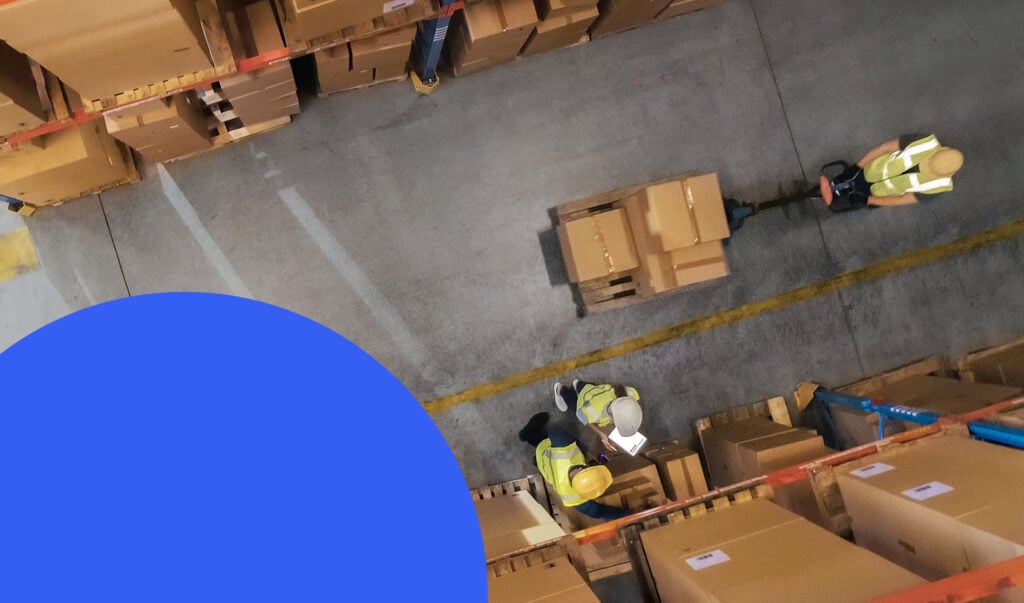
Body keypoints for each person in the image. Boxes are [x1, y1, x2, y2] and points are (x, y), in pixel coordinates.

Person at [518, 412, 631, 520]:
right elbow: (598, 512)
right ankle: (536, 460)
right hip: (547, 471)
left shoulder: (563, 447)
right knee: (545, 457)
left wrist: (585, 451)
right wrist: (628, 514)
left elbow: (555, 431)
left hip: (545, 451)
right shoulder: (574, 498)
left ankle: (529, 434)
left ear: (586, 468)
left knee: (545, 441)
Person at [819, 133, 964, 212]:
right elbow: (885, 148)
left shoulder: (937, 188)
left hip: (877, 194)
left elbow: (900, 200)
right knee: (841, 181)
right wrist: (857, 167)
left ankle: (845, 202)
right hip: (868, 170)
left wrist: (866, 200)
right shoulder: (924, 142)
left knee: (846, 202)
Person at [553, 379, 643, 442]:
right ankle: (561, 389)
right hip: (584, 400)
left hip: (597, 391)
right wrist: (601, 433)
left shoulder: (630, 395)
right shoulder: (592, 411)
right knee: (574, 406)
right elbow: (581, 415)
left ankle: (578, 384)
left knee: (589, 388)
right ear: (613, 417)